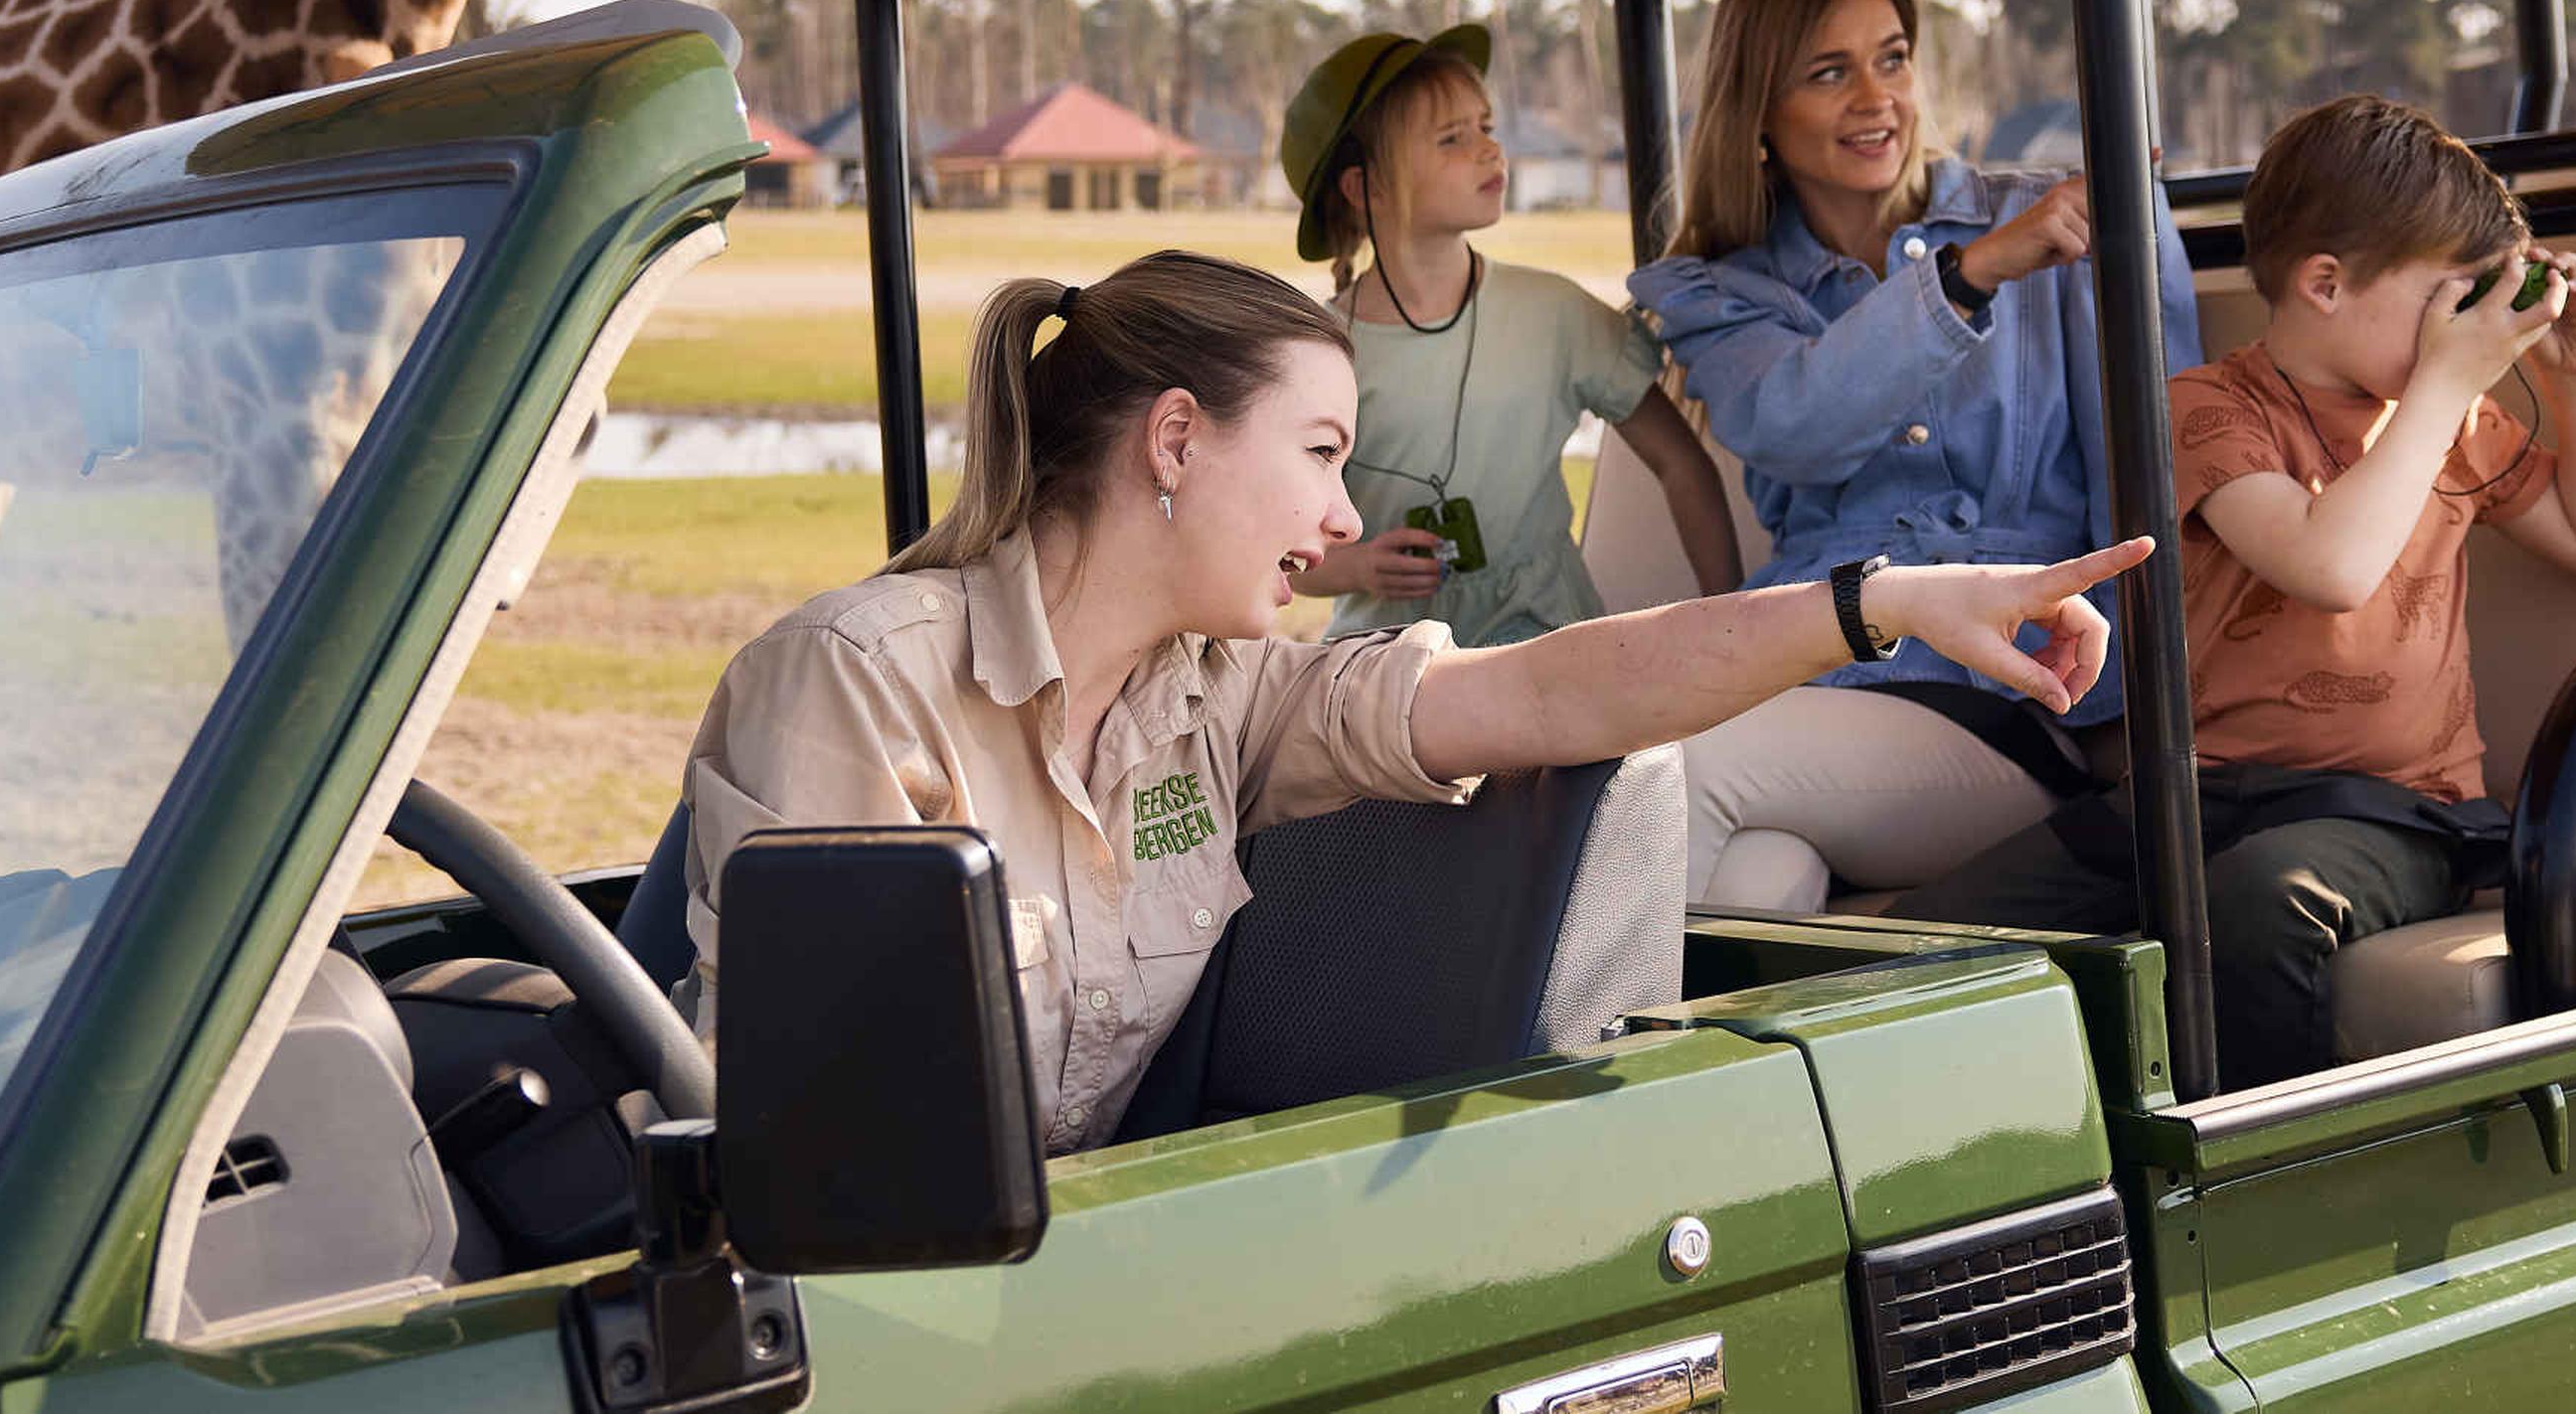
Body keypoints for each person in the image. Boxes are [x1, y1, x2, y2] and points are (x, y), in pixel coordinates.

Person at [676, 249, 2145, 1152]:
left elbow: (1556, 691)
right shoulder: (862, 683)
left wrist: (1870, 607)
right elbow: (810, 1147)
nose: (1337, 516)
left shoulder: (1226, 703)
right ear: (1177, 440)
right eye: (1319, 452)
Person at [1894, 94, 2576, 1086]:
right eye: (2443, 301)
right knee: (1931, 942)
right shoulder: (2206, 411)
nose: (2460, 335)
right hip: (2198, 796)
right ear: (2325, 284)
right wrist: (2445, 386)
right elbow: (2326, 563)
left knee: (2261, 901)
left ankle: (2256, 1182)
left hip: (2393, 814)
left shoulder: (2449, 420)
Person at [1629, 0, 2202, 914]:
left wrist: (2137, 730)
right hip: (1800, 672)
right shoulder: (1720, 290)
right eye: (1828, 72)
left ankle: (1503, 1062)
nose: (1876, 97)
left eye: (1891, 58)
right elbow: (1796, 421)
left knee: (1663, 768)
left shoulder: (2057, 223)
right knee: (1758, 883)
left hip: (2002, 702)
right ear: (1759, 111)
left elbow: (2156, 481)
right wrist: (1968, 275)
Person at [1274, 23, 1741, 647]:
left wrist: (1733, 620)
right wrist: (1355, 566)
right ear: (1365, 187)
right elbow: (1280, 542)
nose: (1490, 151)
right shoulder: (1317, 354)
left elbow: (1681, 462)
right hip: (1385, 672)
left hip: (1552, 646)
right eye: (1452, 138)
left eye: (1487, 128)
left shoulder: (1556, 314)